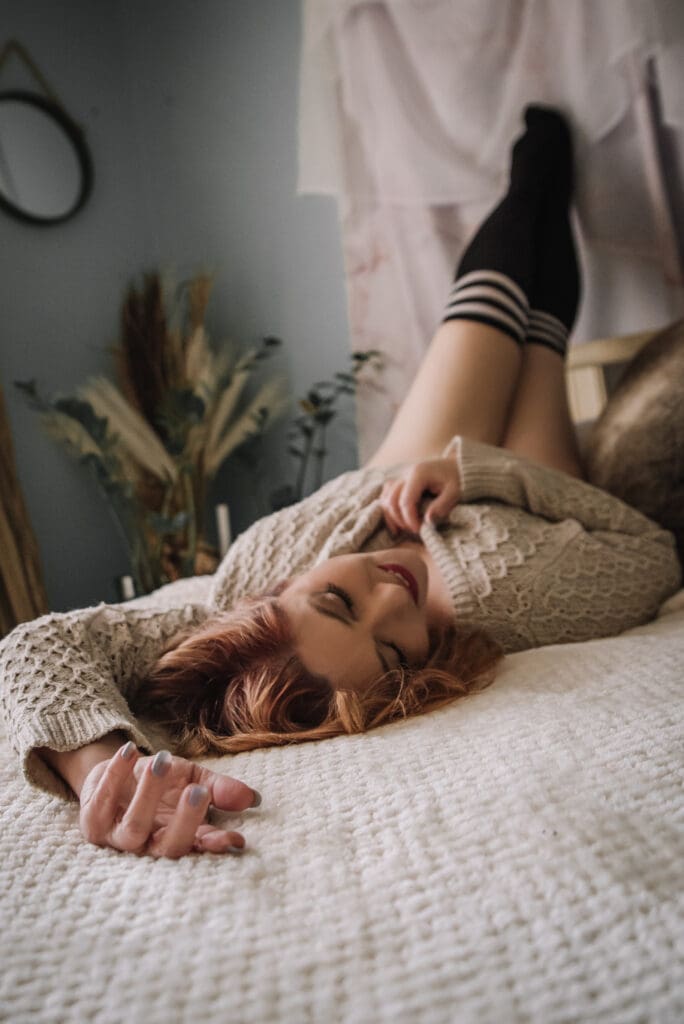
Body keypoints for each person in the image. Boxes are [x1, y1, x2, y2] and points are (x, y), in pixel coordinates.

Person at [1, 107, 679, 860]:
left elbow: (39, 643)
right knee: (542, 344)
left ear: (276, 594)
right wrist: (482, 470)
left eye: (337, 599)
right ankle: (547, 208)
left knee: (484, 311)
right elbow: (652, 553)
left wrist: (98, 768)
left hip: (397, 483)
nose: (392, 597)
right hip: (519, 515)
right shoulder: (515, 595)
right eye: (393, 651)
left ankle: (536, 170)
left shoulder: (247, 577)